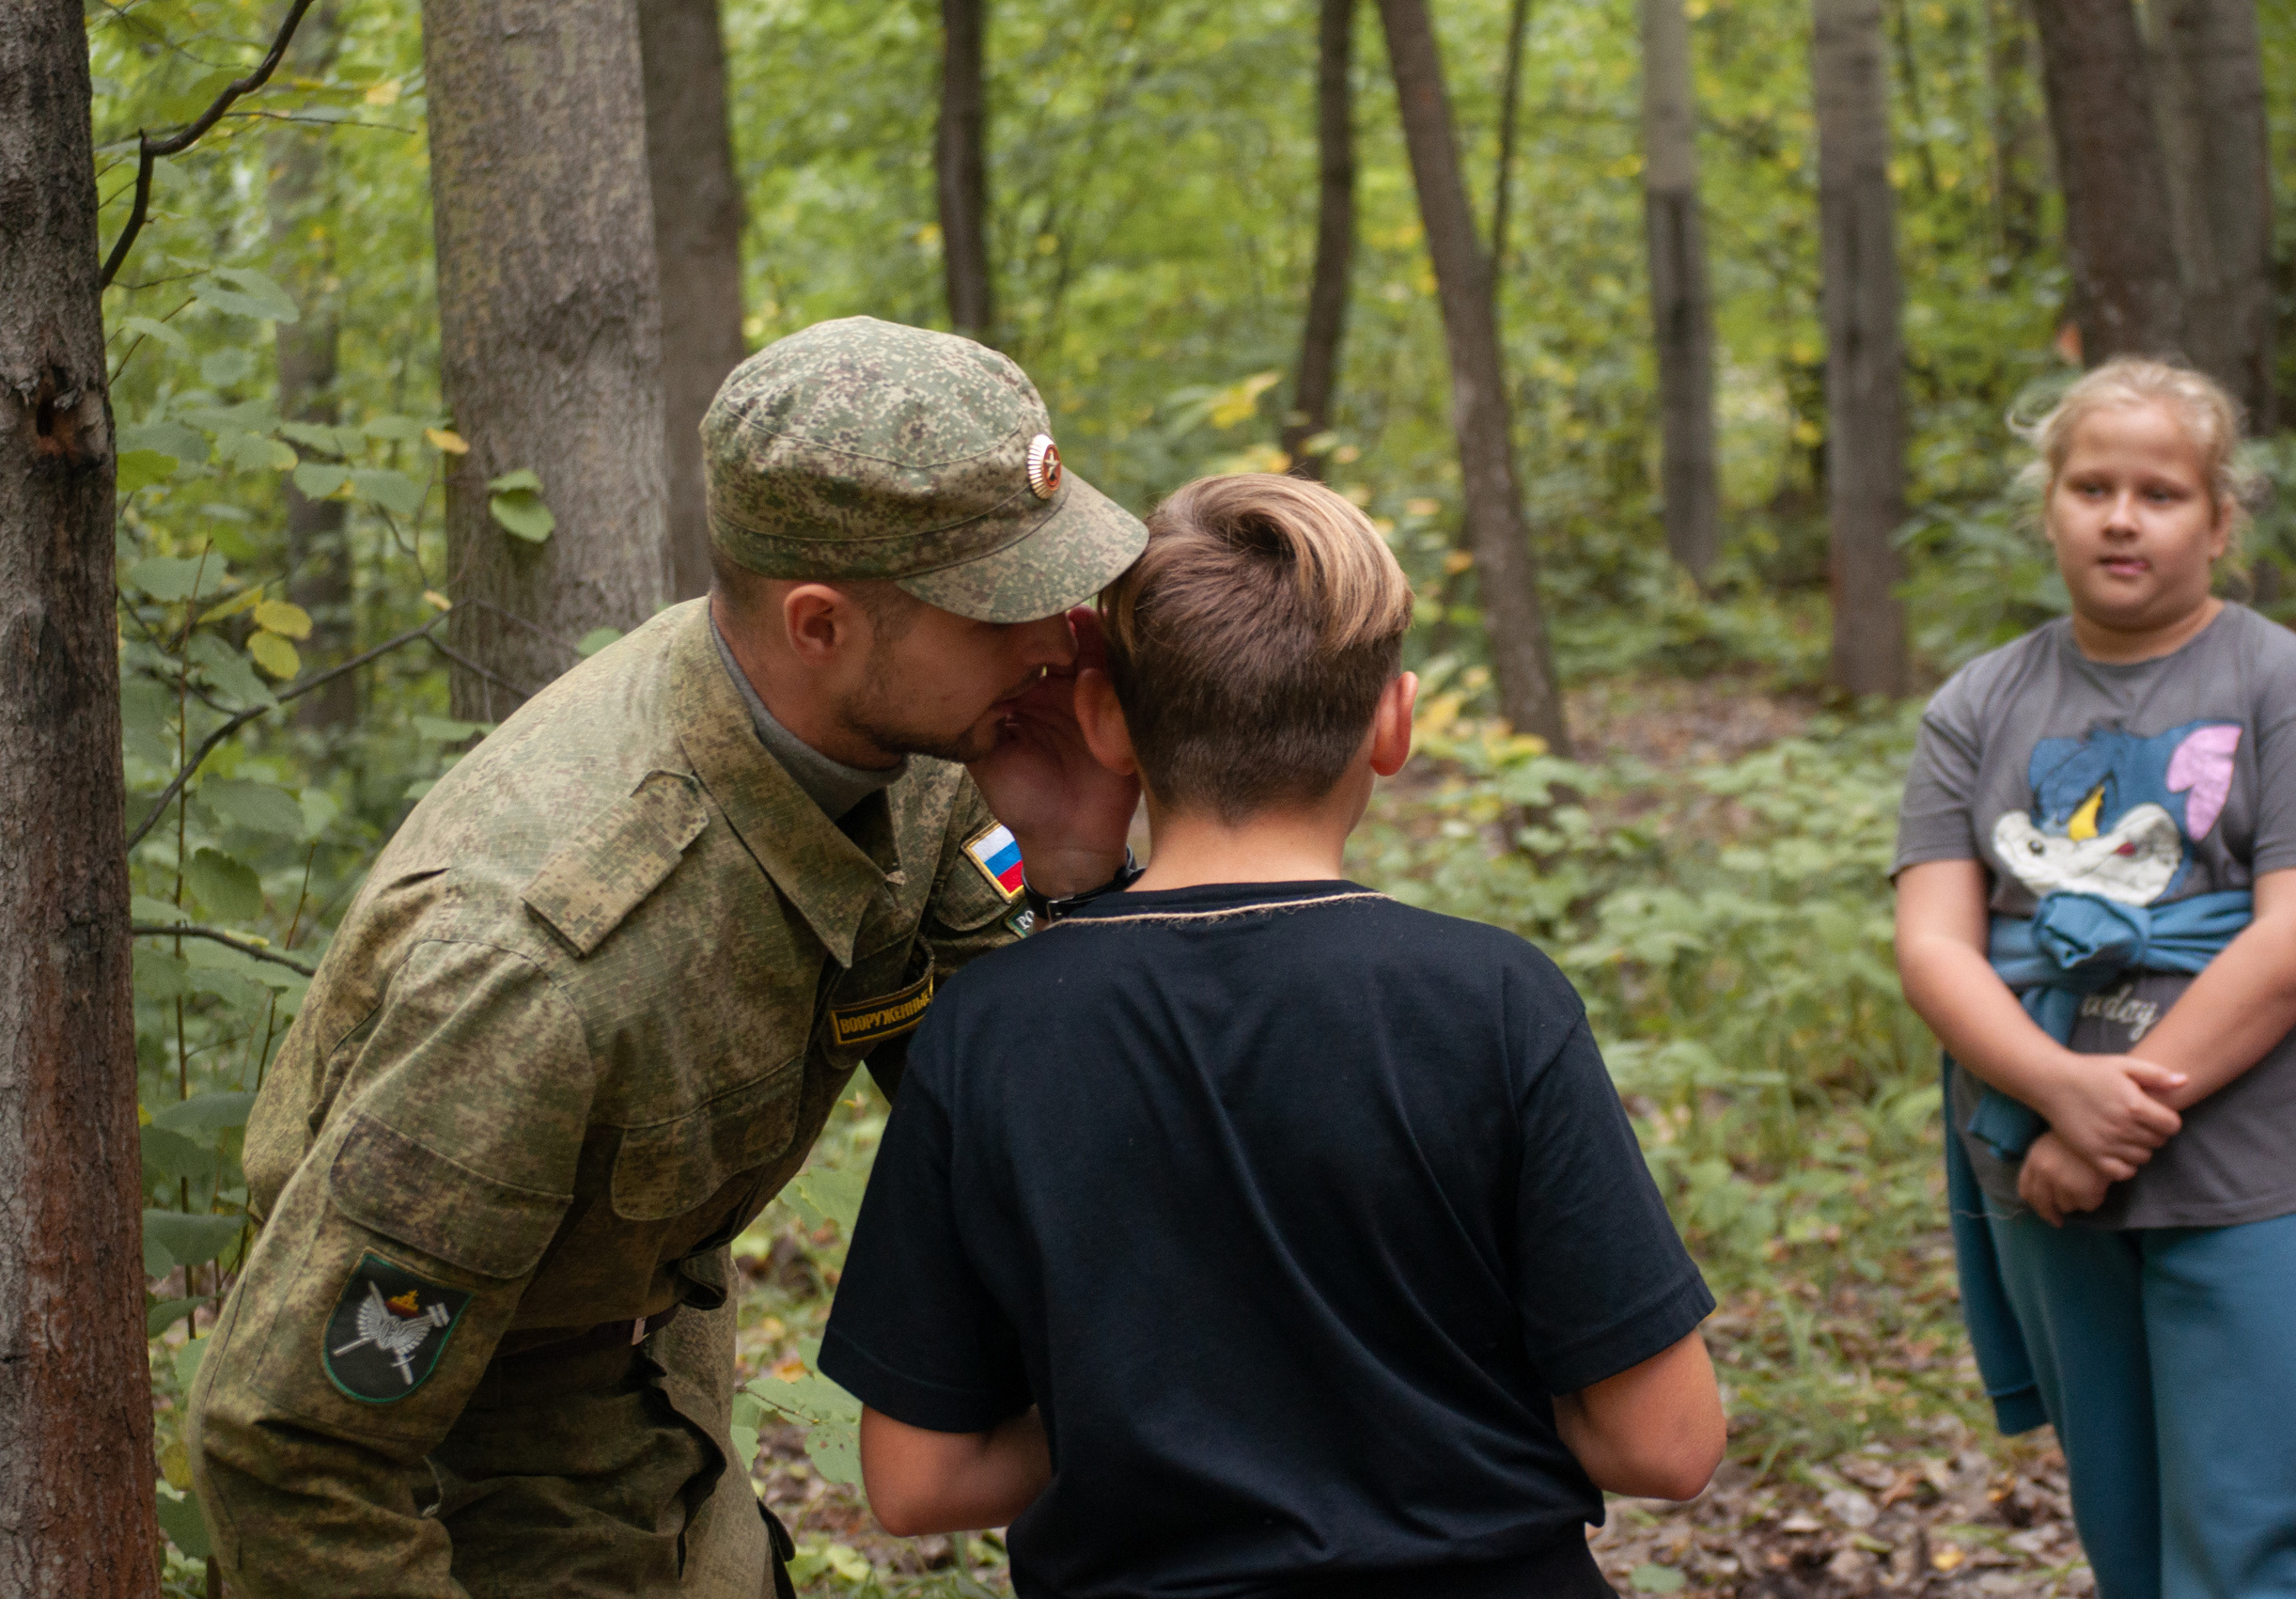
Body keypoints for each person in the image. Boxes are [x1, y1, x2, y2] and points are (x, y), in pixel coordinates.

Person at [186, 317, 1153, 1597]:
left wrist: (1079, 867)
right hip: (473, 1497)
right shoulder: (537, 971)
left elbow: (1019, 1127)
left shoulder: (916, 749)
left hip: (669, 1421)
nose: (1061, 634)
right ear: (820, 625)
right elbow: (293, 1446)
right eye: (1002, 604)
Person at [818, 474, 1726, 1599]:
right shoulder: (1496, 1000)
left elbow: (917, 1482)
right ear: (1392, 723)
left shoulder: (989, 1029)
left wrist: (1150, 1411)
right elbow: (1668, 1446)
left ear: (1106, 723)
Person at [1891, 357, 2296, 1599]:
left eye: (2161, 491)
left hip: (2255, 1174)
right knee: (2125, 1532)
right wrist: (2058, 1095)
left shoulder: (2287, 687)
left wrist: (2106, 1120)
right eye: (2093, 485)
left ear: (2221, 519)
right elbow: (1936, 944)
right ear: (2048, 505)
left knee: (2248, 1543)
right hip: (2039, 1173)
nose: (2123, 516)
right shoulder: (1978, 703)